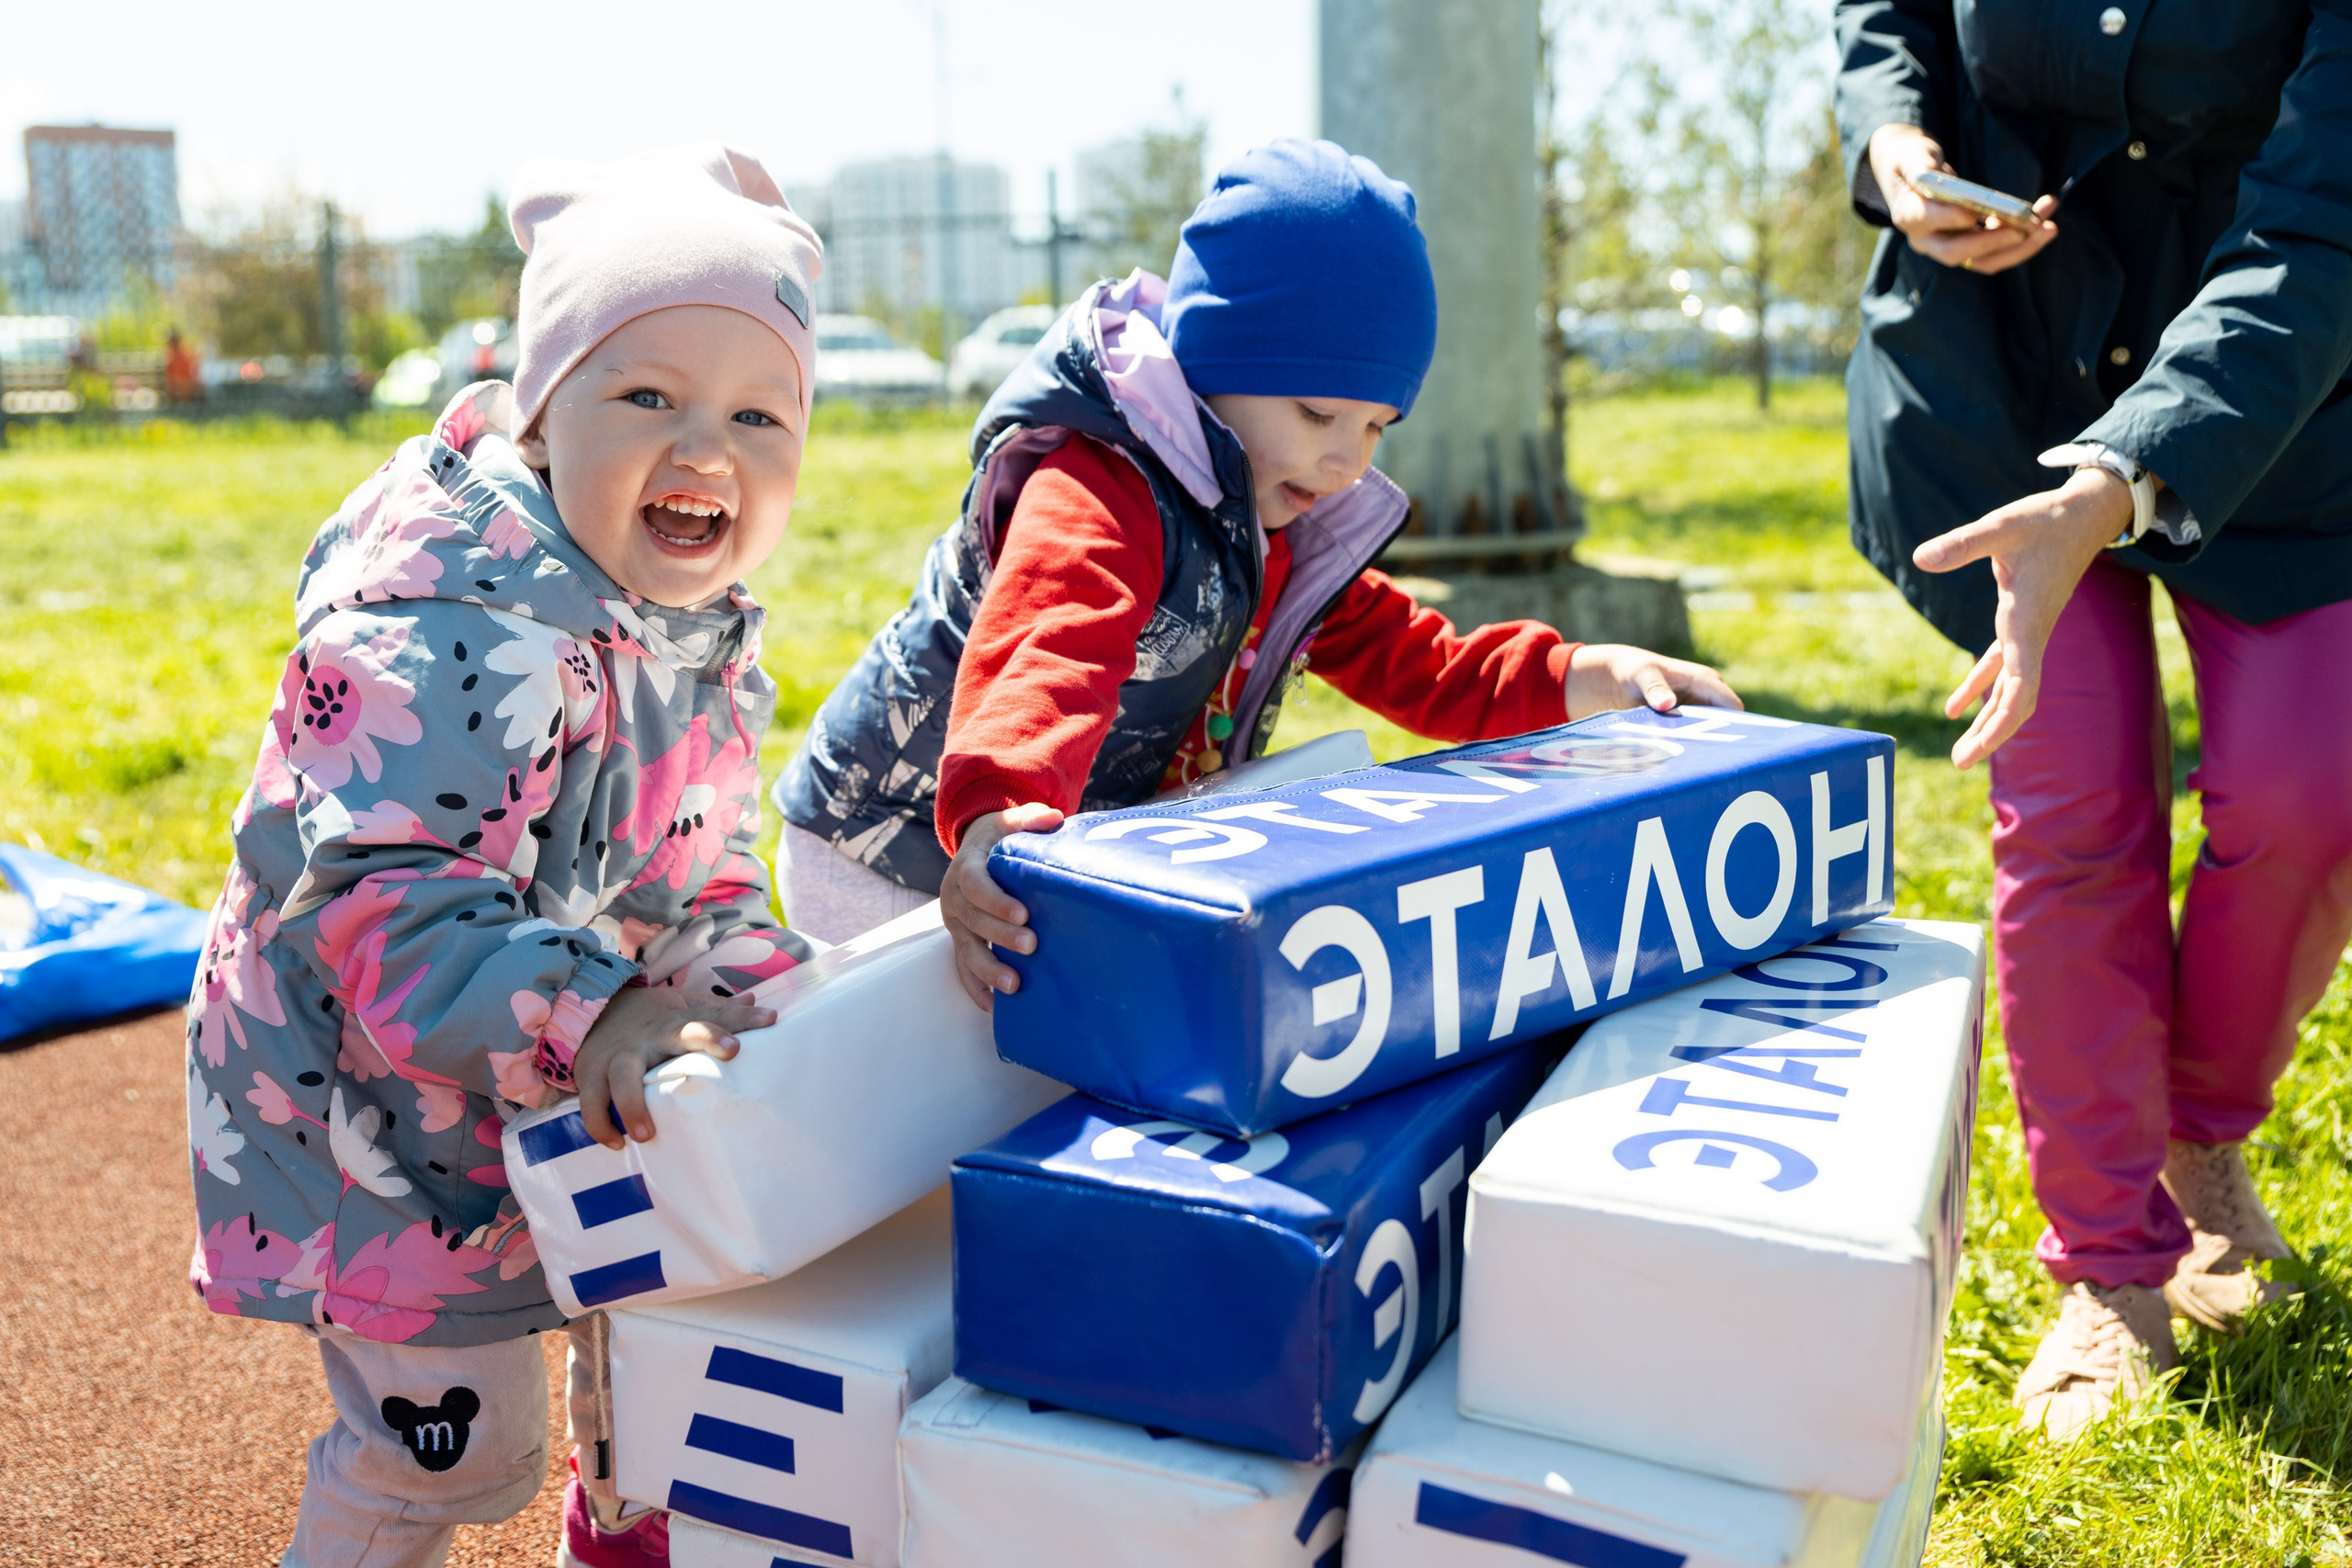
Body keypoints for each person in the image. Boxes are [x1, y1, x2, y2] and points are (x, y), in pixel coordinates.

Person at [182, 144, 825, 1568]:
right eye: (646, 394)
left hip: (545, 1067)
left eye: (759, 411)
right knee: (456, 1453)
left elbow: (694, 876)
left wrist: (778, 994)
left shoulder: (691, 631)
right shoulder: (446, 616)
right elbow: (390, 902)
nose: (706, 447)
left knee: (658, 1367)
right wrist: (606, 1009)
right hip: (370, 1117)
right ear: (542, 414)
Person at [774, 138, 1737, 998]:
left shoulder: (1274, 532)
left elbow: (1423, 663)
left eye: (1375, 426)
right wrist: (999, 814)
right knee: (935, 1108)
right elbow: (1047, 645)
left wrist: (1574, 680)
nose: (1348, 460)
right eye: (1318, 416)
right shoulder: (1100, 481)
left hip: (1027, 851)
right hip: (897, 851)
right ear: (1205, 366)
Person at [1836, 1, 2352, 1439]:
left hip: (2282, 394)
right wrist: (1893, 141)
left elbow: (2325, 229)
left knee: (2320, 787)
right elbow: (1886, 15)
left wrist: (2125, 473)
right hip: (1995, 383)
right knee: (2073, 796)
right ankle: (2111, 1269)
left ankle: (2198, 1137)